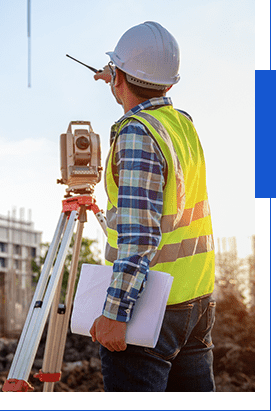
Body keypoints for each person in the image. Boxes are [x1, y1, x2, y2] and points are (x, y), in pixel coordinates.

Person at [88, 21, 216, 392]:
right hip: (197, 302)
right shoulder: (181, 125)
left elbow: (139, 234)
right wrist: (118, 76)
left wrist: (115, 313)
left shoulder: (136, 133)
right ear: (171, 83)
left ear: (121, 79)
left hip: (151, 311)